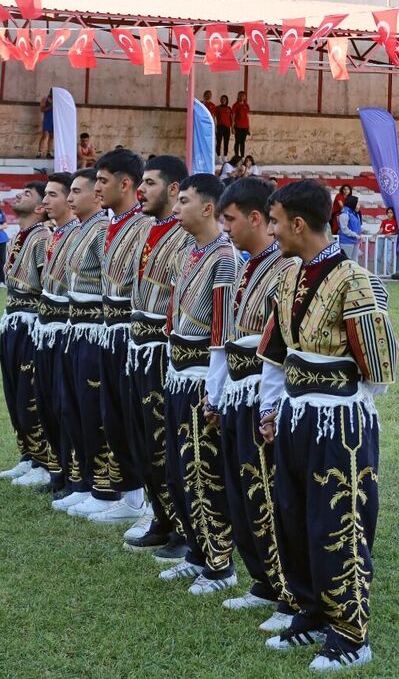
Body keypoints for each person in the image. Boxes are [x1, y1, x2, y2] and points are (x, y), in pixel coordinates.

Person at [257, 180, 397, 671]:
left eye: (274, 221)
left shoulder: (356, 280)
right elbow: (276, 354)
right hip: (295, 418)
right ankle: (310, 613)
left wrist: (343, 405)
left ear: (298, 224)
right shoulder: (287, 276)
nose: (271, 230)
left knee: (339, 522)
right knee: (292, 516)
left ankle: (351, 634)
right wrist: (272, 410)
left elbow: (377, 367)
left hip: (340, 425)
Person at [209, 177, 299, 633]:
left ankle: (288, 593)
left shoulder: (285, 270)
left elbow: (278, 348)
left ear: (256, 218)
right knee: (243, 495)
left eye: (230, 219)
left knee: (268, 494)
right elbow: (225, 342)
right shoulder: (244, 267)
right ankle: (262, 582)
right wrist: (219, 393)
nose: (224, 229)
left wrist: (271, 406)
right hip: (238, 393)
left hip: (263, 394)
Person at [159, 173, 240, 593]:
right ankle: (195, 552)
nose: (176, 208)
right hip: (177, 374)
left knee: (203, 472)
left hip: (200, 380)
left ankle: (220, 565)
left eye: (184, 201)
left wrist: (214, 390)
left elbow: (223, 333)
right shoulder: (190, 252)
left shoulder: (225, 259)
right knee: (178, 470)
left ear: (208, 208)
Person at [122, 155, 194, 562]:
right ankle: (161, 517)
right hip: (138, 346)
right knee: (144, 440)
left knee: (167, 441)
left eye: (149, 183)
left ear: (172, 189)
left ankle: (184, 528)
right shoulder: (149, 229)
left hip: (164, 350)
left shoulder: (185, 237)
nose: (141, 191)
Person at [87, 149, 152, 526]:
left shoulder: (143, 227)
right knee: (113, 415)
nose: (98, 188)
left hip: (134, 335)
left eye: (103, 181)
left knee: (135, 417)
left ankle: (146, 500)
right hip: (110, 331)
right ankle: (129, 495)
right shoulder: (112, 224)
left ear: (125, 184)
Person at [50, 170, 117, 517]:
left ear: (96, 196)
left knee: (93, 411)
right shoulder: (78, 230)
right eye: (70, 192)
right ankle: (84, 481)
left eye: (78, 191)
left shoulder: (103, 230)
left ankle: (105, 487)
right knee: (71, 407)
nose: (71, 197)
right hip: (74, 327)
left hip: (94, 329)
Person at [21, 173, 79, 495]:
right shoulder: (57, 235)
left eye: (52, 195)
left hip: (65, 328)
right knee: (45, 401)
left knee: (64, 403)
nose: (46, 202)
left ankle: (73, 476)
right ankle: (57, 471)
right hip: (46, 326)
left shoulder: (78, 234)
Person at [0, 183, 54, 485]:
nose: (18, 195)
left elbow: (46, 285)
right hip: (12, 319)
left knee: (29, 393)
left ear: (40, 208)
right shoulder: (17, 237)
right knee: (13, 391)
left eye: (28, 195)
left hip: (31, 322)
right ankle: (28, 455)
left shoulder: (43, 238)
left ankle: (43, 461)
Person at [375, 208, 399, 276]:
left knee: (388, 257)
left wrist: (390, 234)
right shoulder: (384, 221)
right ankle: (378, 272)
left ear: (393, 213)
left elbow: (396, 231)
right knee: (378, 256)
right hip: (382, 238)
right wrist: (376, 234)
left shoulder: (396, 221)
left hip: (389, 239)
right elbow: (381, 229)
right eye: (388, 212)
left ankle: (387, 271)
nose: (389, 214)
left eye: (391, 212)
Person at [337, 194, 362, 259]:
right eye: (358, 204)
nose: (359, 206)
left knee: (354, 261)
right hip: (346, 242)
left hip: (355, 241)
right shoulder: (345, 214)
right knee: (346, 261)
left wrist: (359, 236)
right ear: (352, 204)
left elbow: (357, 227)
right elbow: (344, 229)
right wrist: (355, 235)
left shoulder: (355, 214)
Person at [232, 91, 252, 157]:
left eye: (243, 96)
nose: (242, 97)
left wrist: (248, 128)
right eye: (240, 95)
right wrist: (232, 127)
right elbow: (233, 116)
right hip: (238, 127)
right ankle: (236, 156)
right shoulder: (235, 105)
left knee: (242, 142)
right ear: (238, 96)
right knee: (237, 142)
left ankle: (242, 157)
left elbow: (247, 117)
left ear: (245, 97)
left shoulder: (246, 105)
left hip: (245, 127)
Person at [214, 95, 234, 159]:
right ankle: (218, 156)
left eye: (224, 99)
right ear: (220, 100)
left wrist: (232, 128)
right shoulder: (217, 108)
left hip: (227, 128)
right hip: (219, 127)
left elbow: (231, 119)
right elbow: (213, 117)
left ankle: (225, 156)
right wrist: (214, 127)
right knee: (218, 142)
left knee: (226, 142)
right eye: (222, 99)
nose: (223, 100)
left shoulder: (229, 108)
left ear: (227, 100)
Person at [37, 91, 54, 159]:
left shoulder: (57, 100)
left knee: (52, 136)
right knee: (45, 135)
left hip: (54, 119)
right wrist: (51, 106)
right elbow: (42, 109)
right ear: (50, 93)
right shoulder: (45, 99)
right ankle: (39, 152)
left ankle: (49, 152)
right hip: (47, 119)